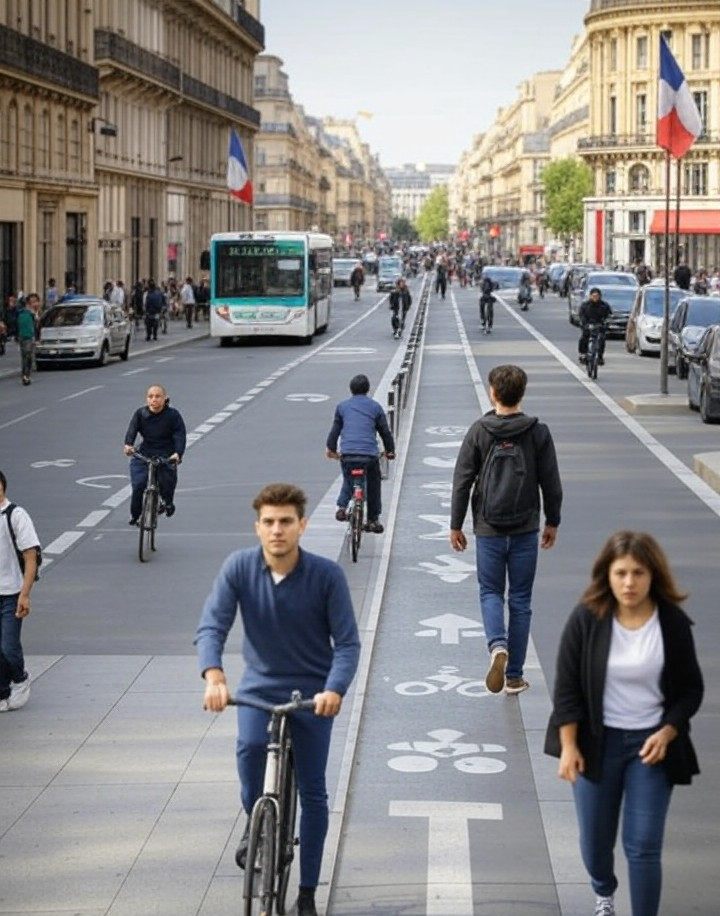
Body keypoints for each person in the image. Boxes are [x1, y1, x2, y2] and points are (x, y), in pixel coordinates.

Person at [195, 482, 360, 916]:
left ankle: (306, 891)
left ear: (302, 525)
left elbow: (346, 644)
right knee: (249, 749)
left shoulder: (327, 576)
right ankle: (257, 821)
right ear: (257, 527)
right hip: (259, 689)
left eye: (286, 521)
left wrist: (334, 689)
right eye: (269, 522)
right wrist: (214, 675)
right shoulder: (239, 568)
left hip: (313, 694)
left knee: (314, 792)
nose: (277, 530)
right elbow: (212, 624)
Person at [544, 531, 704, 916]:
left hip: (651, 748)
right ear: (607, 575)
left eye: (638, 573)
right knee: (596, 845)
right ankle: (604, 892)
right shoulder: (588, 618)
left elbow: (690, 689)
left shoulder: (671, 623)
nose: (629, 582)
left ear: (653, 575)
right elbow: (567, 688)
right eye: (621, 573)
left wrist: (669, 730)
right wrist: (568, 746)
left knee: (644, 846)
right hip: (596, 744)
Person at [449, 364, 562, 695]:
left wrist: (456, 524)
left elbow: (462, 481)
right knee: (521, 599)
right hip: (526, 527)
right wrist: (552, 521)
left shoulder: (480, 431)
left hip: (489, 528)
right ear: (522, 393)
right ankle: (514, 675)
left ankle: (497, 645)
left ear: (492, 393)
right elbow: (551, 483)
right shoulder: (537, 432)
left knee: (490, 592)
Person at [326, 374, 395, 534]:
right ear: (367, 389)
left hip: (348, 454)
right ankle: (372, 519)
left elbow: (335, 431)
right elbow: (385, 432)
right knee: (373, 483)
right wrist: (390, 450)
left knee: (349, 479)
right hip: (369, 456)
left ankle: (341, 507)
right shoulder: (375, 407)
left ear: (351, 389)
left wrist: (331, 449)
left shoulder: (342, 407)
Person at [0, 469, 39, 713]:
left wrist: (25, 594)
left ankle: (21, 678)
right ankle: (2, 692)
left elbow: (31, 556)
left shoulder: (15, 515)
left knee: (8, 648)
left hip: (11, 592)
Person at [123, 384, 186, 525]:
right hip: (145, 453)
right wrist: (128, 445)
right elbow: (132, 430)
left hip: (165, 453)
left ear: (165, 399)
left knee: (167, 481)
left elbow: (179, 435)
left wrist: (177, 453)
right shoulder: (141, 414)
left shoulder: (173, 415)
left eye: (158, 396)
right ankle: (136, 515)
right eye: (150, 396)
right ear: (147, 399)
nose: (154, 400)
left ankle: (168, 502)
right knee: (138, 484)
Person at [578, 287, 612, 366]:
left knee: (602, 339)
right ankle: (583, 354)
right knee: (584, 337)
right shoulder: (585, 305)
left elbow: (609, 316)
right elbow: (582, 316)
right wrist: (585, 324)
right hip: (588, 325)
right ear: (590, 296)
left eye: (597, 296)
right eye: (593, 296)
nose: (595, 298)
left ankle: (600, 356)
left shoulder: (604, 306)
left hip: (599, 325)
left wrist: (605, 323)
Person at [16, 293, 39, 386]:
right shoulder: (24, 313)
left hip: (29, 336)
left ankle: (26, 375)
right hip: (24, 336)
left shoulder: (32, 314)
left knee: (28, 356)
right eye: (33, 302)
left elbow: (35, 326)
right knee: (26, 356)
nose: (36, 304)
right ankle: (25, 375)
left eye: (36, 301)